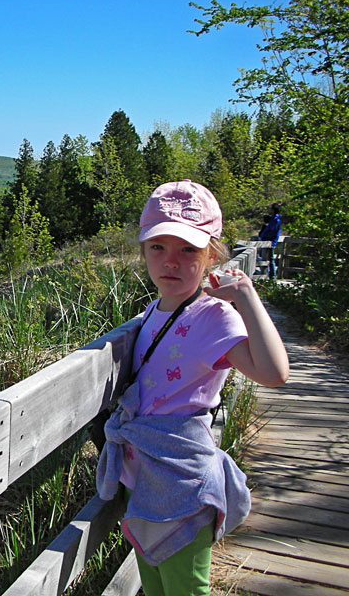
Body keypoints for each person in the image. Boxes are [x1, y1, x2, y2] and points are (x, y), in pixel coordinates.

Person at [96, 180, 289, 596]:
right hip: (146, 474)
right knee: (156, 584)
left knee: (186, 588)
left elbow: (274, 373)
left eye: (188, 250)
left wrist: (246, 296)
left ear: (211, 256)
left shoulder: (213, 317)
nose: (171, 261)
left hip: (183, 482)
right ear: (143, 252)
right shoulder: (153, 311)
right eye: (158, 248)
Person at [258, 203, 282, 278]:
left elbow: (272, 231)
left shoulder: (275, 220)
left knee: (269, 258)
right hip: (267, 241)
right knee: (265, 257)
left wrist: (265, 237)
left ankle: (271, 276)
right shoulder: (273, 219)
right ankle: (267, 274)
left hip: (270, 241)